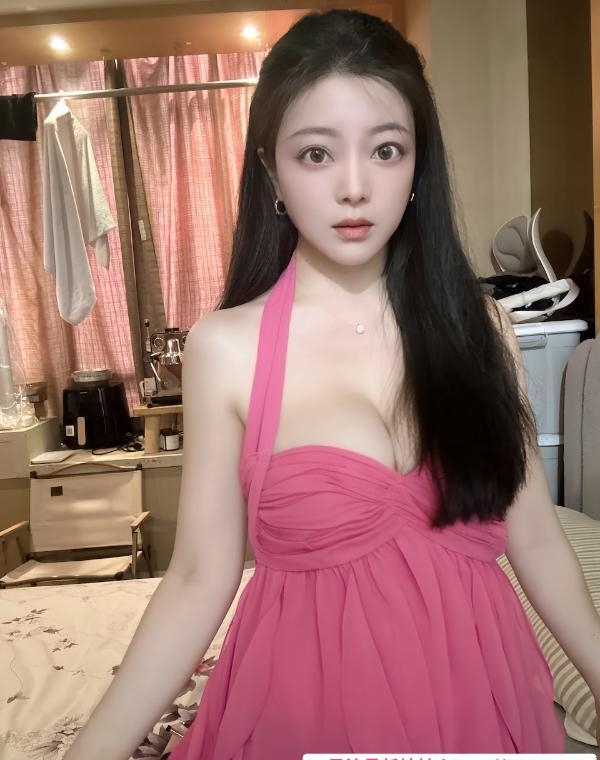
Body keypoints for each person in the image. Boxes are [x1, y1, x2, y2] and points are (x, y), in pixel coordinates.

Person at [64, 9, 600, 759]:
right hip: (309, 711)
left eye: (386, 150)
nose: (354, 187)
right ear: (271, 171)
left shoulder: (483, 329)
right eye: (316, 154)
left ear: (418, 165)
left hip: (481, 699)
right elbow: (196, 579)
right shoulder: (227, 347)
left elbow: (536, 537)